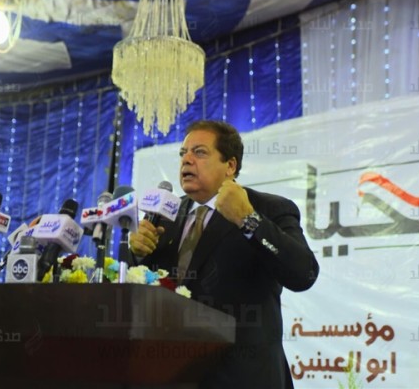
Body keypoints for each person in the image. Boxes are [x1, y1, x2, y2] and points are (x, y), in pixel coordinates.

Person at [129, 120, 319, 389]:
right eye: (183, 153)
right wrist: (138, 254)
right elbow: (146, 289)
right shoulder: (166, 214)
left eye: (200, 152)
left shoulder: (267, 208)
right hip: (173, 373)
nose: (186, 160)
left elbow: (303, 274)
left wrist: (248, 220)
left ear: (230, 166)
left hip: (243, 377)